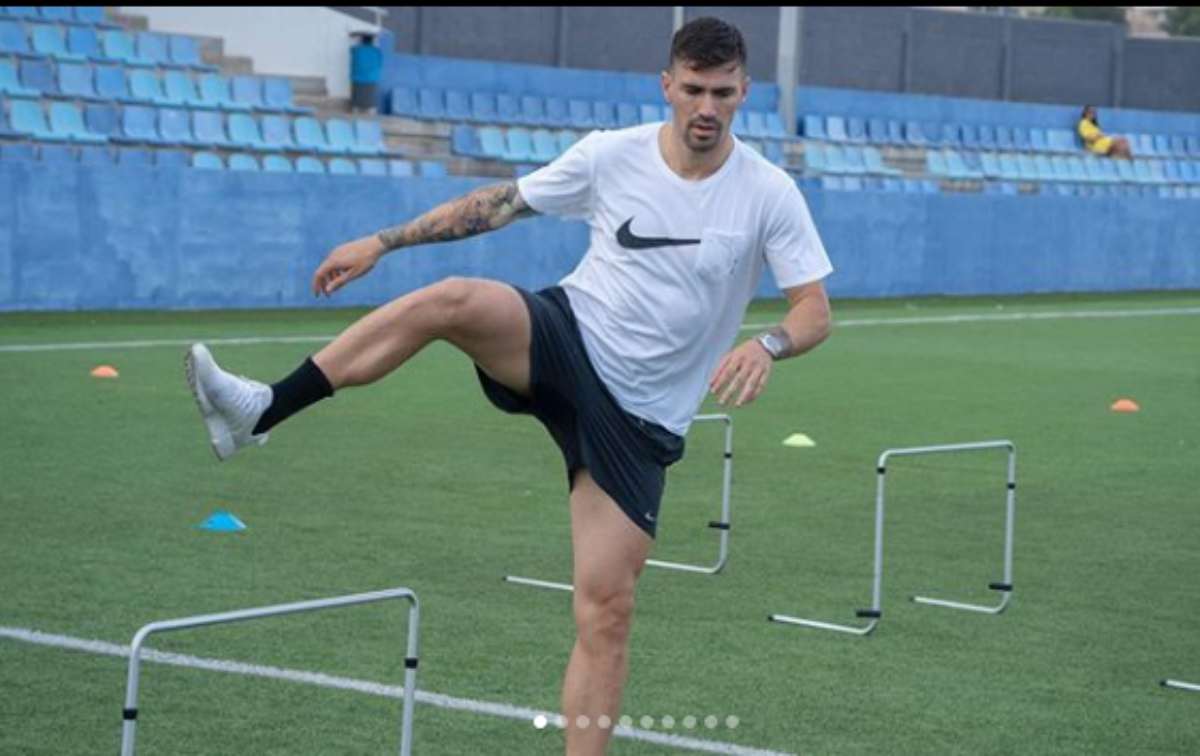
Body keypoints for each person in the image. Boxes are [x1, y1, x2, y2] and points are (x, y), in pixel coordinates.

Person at [185, 16, 832, 755]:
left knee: (606, 612)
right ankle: (263, 408)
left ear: (744, 91)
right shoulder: (611, 155)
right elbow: (497, 205)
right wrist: (383, 242)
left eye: (722, 92)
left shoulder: (767, 193)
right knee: (453, 300)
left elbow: (814, 309)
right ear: (667, 86)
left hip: (640, 422)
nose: (706, 107)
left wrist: (769, 344)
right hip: (567, 338)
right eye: (693, 89)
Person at [350, 31, 382, 114]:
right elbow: (380, 63)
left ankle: (355, 110)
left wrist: (355, 38)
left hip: (358, 78)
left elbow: (351, 49)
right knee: (370, 101)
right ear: (372, 41)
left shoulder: (356, 50)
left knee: (357, 100)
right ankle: (371, 111)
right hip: (372, 79)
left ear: (362, 40)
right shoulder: (377, 51)